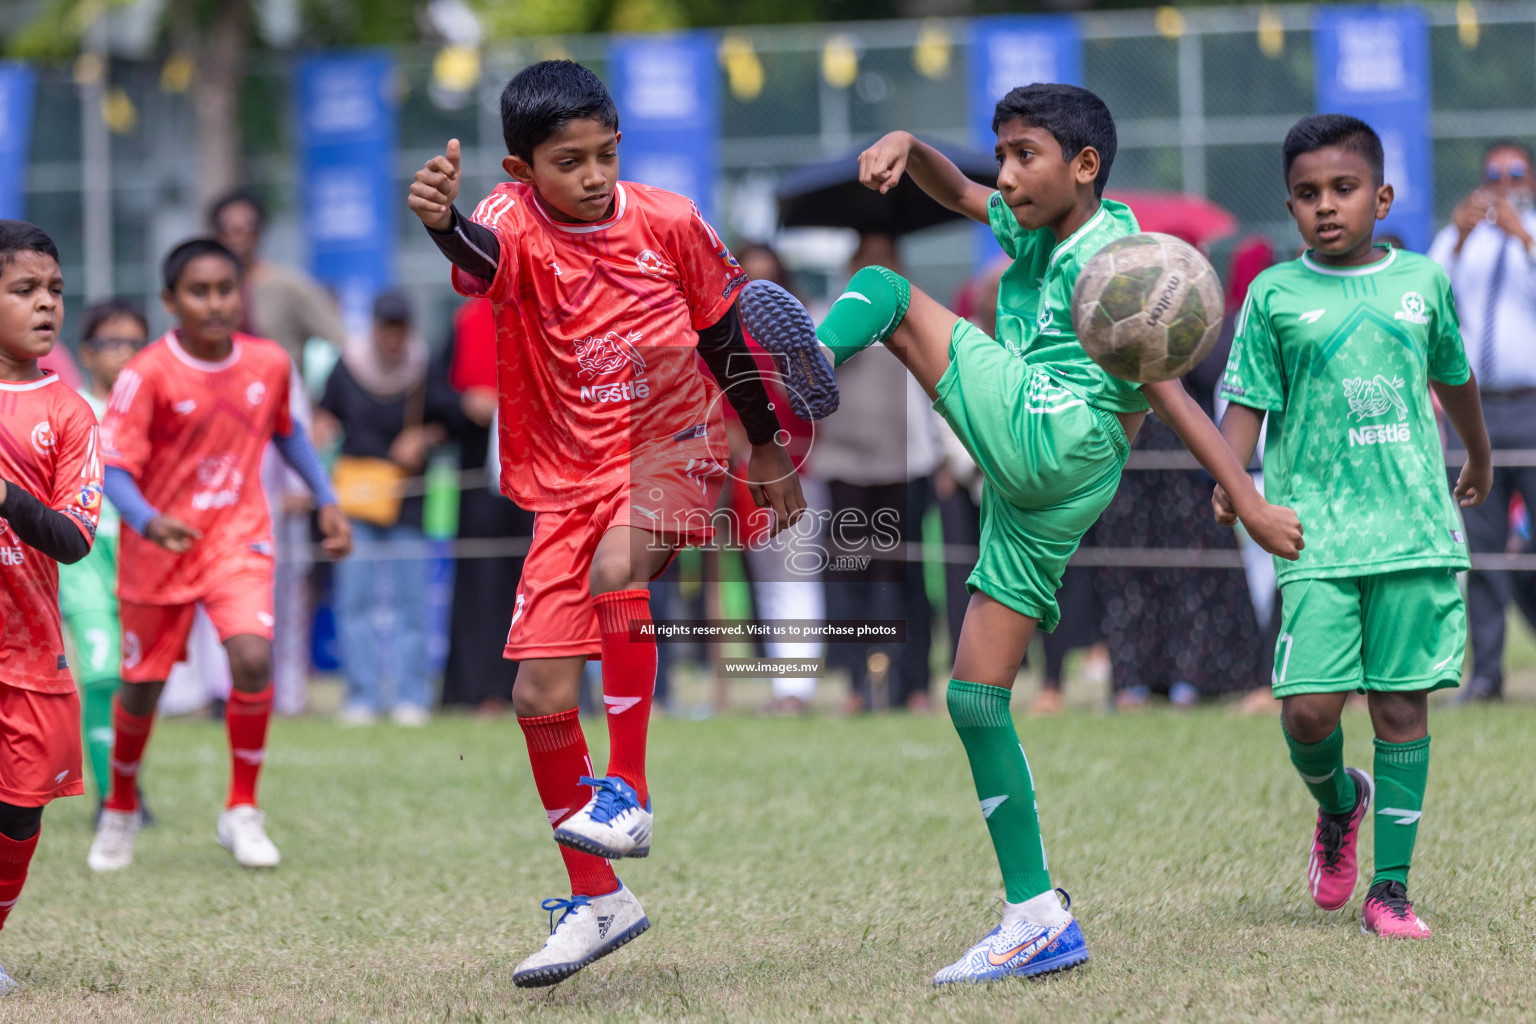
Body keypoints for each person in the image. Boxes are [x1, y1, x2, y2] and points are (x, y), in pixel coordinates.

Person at [739, 83, 1302, 983]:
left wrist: (1248, 492)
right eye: (1000, 154)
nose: (1003, 174)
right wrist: (908, 142)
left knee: (884, 289)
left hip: (1056, 433)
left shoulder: (1117, 259)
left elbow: (1168, 391)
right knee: (974, 696)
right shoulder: (1030, 219)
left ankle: (791, 373)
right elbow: (955, 192)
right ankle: (1037, 915)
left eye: (1022, 155)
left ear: (1084, 165)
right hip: (1036, 486)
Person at [407, 60, 805, 986]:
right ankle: (599, 901)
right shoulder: (505, 222)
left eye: (605, 155)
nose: (592, 176)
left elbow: (723, 336)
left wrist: (770, 446)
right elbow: (479, 257)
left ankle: (627, 787)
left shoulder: (669, 220)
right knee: (538, 700)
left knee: (622, 558)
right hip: (567, 478)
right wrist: (439, 226)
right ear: (519, 170)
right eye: (567, 162)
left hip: (676, 437)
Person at [1215, 114, 1491, 938]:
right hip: (1316, 533)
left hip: (1411, 525)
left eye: (1343, 189)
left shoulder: (1422, 282)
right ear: (1291, 206)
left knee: (1402, 710)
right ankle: (1342, 803)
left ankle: (1391, 891)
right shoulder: (1273, 295)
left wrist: (1478, 457)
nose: (1326, 207)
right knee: (1307, 711)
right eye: (1307, 195)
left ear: (1382, 195)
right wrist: (1234, 484)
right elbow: (1247, 404)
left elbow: (1457, 375)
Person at [87, 238, 353, 874]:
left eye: (225, 290)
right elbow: (115, 469)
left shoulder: (269, 363)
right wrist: (150, 522)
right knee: (143, 689)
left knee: (252, 657)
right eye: (199, 292)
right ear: (170, 301)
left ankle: (241, 810)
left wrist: (325, 499)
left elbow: (288, 435)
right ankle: (120, 806)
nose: (214, 303)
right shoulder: (147, 373)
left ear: (243, 295)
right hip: (160, 549)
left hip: (238, 537)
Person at [0, 221, 101, 996]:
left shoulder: (68, 413)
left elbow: (71, 536)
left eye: (55, 291)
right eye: (24, 289)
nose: (46, 305)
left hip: (30, 651)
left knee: (19, 817)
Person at [317, 291, 462, 726]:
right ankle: (361, 695)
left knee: (412, 603)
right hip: (358, 500)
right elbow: (326, 412)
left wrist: (425, 438)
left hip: (408, 501)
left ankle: (411, 695)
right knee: (354, 600)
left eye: (401, 328)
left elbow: (451, 422)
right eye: (387, 328)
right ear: (375, 328)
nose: (394, 338)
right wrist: (322, 427)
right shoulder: (349, 366)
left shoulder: (424, 368)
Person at [811, 231, 939, 713]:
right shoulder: (829, 320)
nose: (879, 273)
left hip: (908, 466)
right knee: (850, 576)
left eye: (888, 263)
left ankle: (915, 683)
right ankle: (854, 685)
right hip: (847, 468)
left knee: (907, 576)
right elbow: (807, 381)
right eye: (868, 265)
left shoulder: (919, 319)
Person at [1426, 140, 1536, 703]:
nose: (1503, 182)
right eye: (1494, 173)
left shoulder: (1530, 233)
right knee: (1484, 546)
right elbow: (1430, 300)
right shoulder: (1455, 239)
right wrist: (1462, 238)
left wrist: (1523, 237)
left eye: (1515, 173)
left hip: (1533, 404)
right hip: (1477, 412)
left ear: (1532, 179)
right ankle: (1488, 673)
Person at [56, 299, 156, 820]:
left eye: (135, 344)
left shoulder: (157, 414)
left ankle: (130, 787)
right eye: (112, 343)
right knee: (99, 674)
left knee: (140, 680)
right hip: (86, 558)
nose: (125, 355)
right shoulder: (70, 411)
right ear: (86, 353)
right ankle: (109, 799)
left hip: (145, 561)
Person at [209, 188, 347, 373]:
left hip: (282, 394)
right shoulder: (208, 293)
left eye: (246, 227)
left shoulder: (288, 285)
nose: (238, 236)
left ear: (260, 231)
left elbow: (339, 339)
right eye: (228, 228)